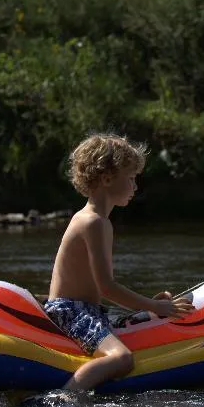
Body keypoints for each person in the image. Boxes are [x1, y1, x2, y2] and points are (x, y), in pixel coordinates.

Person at [45, 133, 194, 390]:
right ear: (107, 178)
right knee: (122, 359)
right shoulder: (94, 222)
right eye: (131, 178)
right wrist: (155, 307)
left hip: (84, 311)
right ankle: (62, 398)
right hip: (70, 313)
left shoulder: (96, 221)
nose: (136, 186)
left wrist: (149, 306)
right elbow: (107, 287)